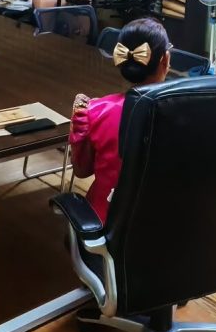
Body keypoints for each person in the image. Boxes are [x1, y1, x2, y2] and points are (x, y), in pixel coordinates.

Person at [69, 18, 171, 223]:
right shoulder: (186, 115)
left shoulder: (95, 112)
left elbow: (81, 171)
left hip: (108, 224)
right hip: (167, 225)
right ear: (165, 59)